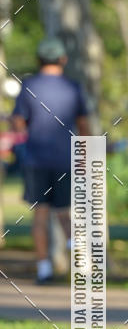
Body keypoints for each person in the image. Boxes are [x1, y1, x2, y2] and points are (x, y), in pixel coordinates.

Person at [11, 38, 90, 284]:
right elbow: (84, 126)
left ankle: (44, 270)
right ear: (63, 59)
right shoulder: (73, 88)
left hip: (36, 160)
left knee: (40, 215)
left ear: (39, 60)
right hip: (66, 159)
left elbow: (18, 122)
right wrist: (83, 157)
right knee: (65, 213)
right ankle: (83, 265)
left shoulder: (29, 86)